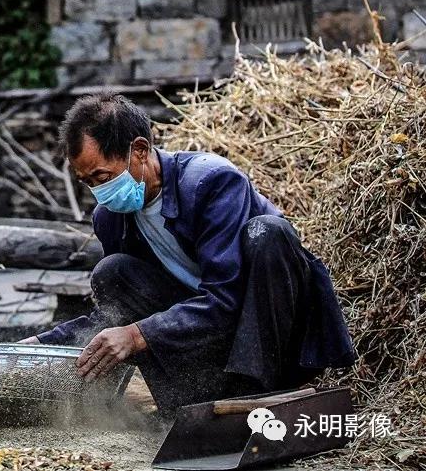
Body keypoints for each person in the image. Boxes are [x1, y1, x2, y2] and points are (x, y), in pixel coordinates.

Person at [22, 94, 356, 415]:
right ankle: (197, 395)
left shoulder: (210, 182)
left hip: (269, 336)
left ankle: (261, 391)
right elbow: (115, 316)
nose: (98, 190)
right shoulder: (110, 218)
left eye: (102, 177)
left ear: (139, 151)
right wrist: (40, 346)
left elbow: (226, 299)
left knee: (268, 233)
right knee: (112, 271)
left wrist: (137, 335)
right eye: (87, 182)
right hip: (206, 339)